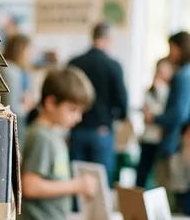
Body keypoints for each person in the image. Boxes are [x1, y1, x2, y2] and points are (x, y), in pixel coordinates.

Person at [17, 66, 98, 220]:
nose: (78, 117)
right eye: (73, 109)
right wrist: (77, 185)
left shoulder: (53, 135)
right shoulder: (42, 137)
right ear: (51, 103)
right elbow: (30, 186)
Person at [68, 22, 128, 184]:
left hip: (77, 128)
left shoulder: (75, 63)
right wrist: (119, 117)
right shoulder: (113, 66)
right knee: (100, 182)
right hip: (101, 129)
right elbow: (122, 100)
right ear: (108, 39)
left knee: (76, 179)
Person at [149, 31, 190, 193]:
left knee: (168, 191)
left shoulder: (182, 76)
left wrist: (155, 118)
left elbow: (179, 113)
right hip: (180, 138)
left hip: (174, 141)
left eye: (171, 48)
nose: (170, 53)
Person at [137, 57, 174, 188]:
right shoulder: (151, 90)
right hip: (148, 137)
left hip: (162, 138)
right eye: (159, 70)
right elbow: (148, 115)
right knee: (142, 172)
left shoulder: (172, 91)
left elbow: (158, 113)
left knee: (158, 176)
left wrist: (154, 116)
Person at [0, 34, 33, 142]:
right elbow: (12, 106)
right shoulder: (10, 70)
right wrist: (26, 108)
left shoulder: (20, 70)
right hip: (12, 124)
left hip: (17, 121)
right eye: (29, 51)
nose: (31, 55)